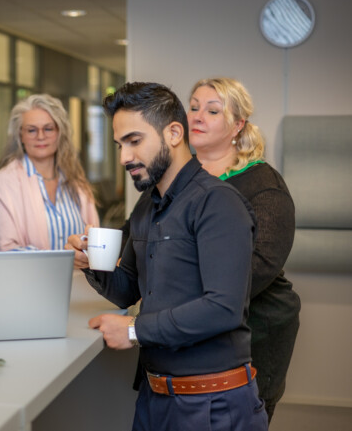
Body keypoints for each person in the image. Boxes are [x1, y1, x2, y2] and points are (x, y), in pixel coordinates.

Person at [65, 82, 267, 431]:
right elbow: (128, 288)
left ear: (174, 133)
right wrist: (92, 266)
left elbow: (223, 307)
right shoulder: (146, 206)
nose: (125, 157)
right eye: (119, 145)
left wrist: (133, 330)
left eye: (134, 141)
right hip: (154, 397)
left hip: (211, 404)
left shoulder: (217, 202)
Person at [188, 77, 300, 422]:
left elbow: (259, 266)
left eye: (212, 110)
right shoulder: (179, 179)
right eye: (192, 107)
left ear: (238, 125)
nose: (197, 116)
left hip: (256, 330)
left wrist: (174, 289)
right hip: (192, 325)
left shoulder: (263, 184)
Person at [0, 94, 99, 251]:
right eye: (31, 130)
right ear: (20, 135)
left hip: (78, 277)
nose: (41, 136)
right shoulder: (3, 182)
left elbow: (94, 239)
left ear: (59, 132)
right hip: (27, 276)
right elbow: (5, 249)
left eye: (48, 128)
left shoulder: (76, 180)